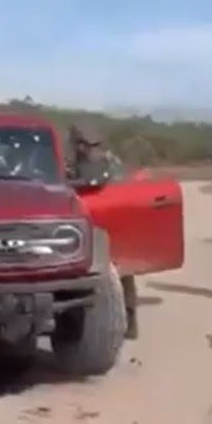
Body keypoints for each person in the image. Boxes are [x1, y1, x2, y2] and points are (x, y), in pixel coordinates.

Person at [67, 123, 138, 339]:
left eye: (81, 144)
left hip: (110, 219)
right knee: (122, 272)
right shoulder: (103, 159)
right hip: (111, 217)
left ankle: (127, 319)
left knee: (119, 272)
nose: (80, 148)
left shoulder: (100, 160)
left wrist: (69, 183)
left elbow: (93, 182)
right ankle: (127, 320)